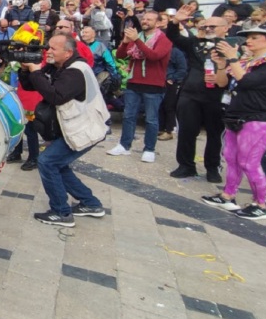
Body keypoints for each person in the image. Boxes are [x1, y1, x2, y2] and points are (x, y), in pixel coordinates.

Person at [20, 33, 110, 227]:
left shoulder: (76, 71)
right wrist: (26, 69)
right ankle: (90, 204)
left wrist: (36, 72)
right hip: (75, 128)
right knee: (57, 164)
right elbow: (30, 85)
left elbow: (55, 96)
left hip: (86, 128)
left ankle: (61, 212)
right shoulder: (58, 66)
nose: (48, 52)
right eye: (48, 47)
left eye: (53, 48)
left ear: (68, 52)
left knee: (47, 162)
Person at [201, 23, 266, 220]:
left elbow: (246, 81)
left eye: (255, 37)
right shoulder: (246, 61)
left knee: (249, 162)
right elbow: (222, 82)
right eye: (248, 37)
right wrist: (221, 64)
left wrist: (233, 58)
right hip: (236, 115)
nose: (249, 41)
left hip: (260, 118)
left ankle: (260, 204)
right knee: (231, 157)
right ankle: (228, 195)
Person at [165, 5, 229, 181]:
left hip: (216, 97)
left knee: (215, 134)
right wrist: (175, 21)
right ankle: (186, 166)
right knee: (186, 131)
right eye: (205, 26)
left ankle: (212, 168)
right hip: (190, 95)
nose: (208, 29)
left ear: (226, 28)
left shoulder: (234, 45)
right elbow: (173, 36)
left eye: (212, 26)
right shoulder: (195, 43)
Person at [108, 11, 172, 163]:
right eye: (143, 18)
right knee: (128, 116)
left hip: (153, 85)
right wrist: (125, 42)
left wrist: (136, 40)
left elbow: (154, 56)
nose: (145, 21)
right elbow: (120, 56)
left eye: (149, 19)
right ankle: (124, 145)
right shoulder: (137, 37)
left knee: (151, 119)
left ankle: (149, 149)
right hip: (133, 82)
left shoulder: (163, 40)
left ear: (158, 23)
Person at [157, 43, 187, 142]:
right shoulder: (158, 50)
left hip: (170, 82)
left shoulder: (176, 52)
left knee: (169, 106)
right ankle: (160, 128)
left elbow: (182, 69)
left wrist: (173, 78)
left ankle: (169, 130)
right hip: (158, 81)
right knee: (160, 106)